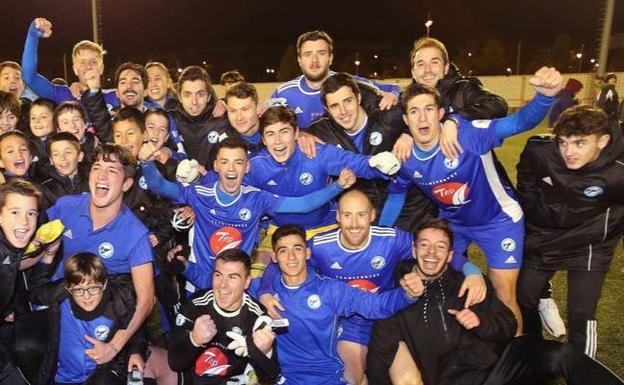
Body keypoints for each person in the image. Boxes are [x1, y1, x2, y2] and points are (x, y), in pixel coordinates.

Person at [379, 67, 563, 333]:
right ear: (406, 121)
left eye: (429, 109)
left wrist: (544, 98)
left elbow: (517, 123)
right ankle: (460, 345)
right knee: (441, 283)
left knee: (503, 294)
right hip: (454, 226)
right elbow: (396, 195)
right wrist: (382, 231)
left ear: (441, 114)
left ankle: (516, 360)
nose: (423, 117)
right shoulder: (405, 158)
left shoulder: (467, 134)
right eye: (415, 111)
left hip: (498, 221)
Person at [259, 189, 485, 385]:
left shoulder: (391, 239)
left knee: (408, 380)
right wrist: (265, 291)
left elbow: (430, 249)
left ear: (373, 215)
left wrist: (470, 270)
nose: (354, 223)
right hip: (352, 322)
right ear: (338, 217)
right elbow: (283, 257)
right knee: (352, 378)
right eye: (347, 215)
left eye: (361, 215)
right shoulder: (321, 246)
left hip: (388, 317)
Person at [366, 218, 624, 385]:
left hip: (497, 368)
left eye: (440, 247)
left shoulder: (467, 283)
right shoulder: (396, 296)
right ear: (414, 250)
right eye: (424, 245)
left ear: (450, 255)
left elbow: (508, 325)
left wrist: (481, 322)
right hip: (452, 380)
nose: (431, 253)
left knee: (563, 353)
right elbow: (381, 353)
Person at [140, 136, 357, 290]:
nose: (231, 169)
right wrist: (147, 163)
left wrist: (337, 187)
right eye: (225, 162)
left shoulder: (257, 198)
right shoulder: (198, 193)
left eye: (238, 162)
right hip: (199, 281)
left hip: (239, 286)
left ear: (247, 168)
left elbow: (303, 204)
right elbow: (159, 186)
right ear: (216, 166)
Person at [516, 104, 624, 357]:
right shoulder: (540, 151)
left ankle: (581, 373)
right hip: (543, 237)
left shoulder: (619, 171)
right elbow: (526, 172)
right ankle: (535, 358)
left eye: (579, 144)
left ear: (603, 141)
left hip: (589, 245)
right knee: (523, 301)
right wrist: (535, 207)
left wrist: (605, 230)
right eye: (563, 142)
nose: (569, 152)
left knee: (581, 315)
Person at [264, 224, 418, 384]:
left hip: (328, 377)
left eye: (297, 249)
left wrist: (406, 294)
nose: (291, 257)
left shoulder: (330, 290)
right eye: (283, 251)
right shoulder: (263, 292)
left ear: (307, 253)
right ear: (274, 257)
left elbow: (375, 305)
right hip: (285, 378)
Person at [46, 144, 155, 364]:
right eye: (97, 167)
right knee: (27, 346)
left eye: (112, 170)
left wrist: (115, 346)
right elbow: (34, 251)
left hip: (99, 311)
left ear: (126, 184)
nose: (101, 175)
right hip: (55, 300)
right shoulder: (65, 207)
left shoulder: (135, 235)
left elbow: (146, 299)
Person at [308, 72, 436, 232]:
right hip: (366, 216)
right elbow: (284, 137)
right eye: (335, 106)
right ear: (327, 109)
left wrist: (409, 133)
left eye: (348, 101)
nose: (343, 111)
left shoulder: (387, 113)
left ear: (359, 98)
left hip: (412, 208)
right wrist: (301, 135)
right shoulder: (321, 131)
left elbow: (430, 116)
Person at [29, 252, 152, 385]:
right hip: (63, 378)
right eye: (78, 290)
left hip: (101, 375)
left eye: (93, 288)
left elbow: (136, 328)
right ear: (69, 288)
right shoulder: (60, 295)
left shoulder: (118, 301)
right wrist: (48, 255)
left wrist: (135, 352)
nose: (86, 297)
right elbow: (36, 292)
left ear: (104, 284)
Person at [169, 249, 280, 384]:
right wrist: (194, 340)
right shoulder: (196, 304)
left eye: (232, 277)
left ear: (246, 282)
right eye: (218, 275)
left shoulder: (257, 316)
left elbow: (270, 378)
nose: (223, 285)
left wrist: (263, 352)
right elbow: (174, 364)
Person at [270, 30, 401, 129]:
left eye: (321, 53)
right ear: (299, 60)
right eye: (308, 54)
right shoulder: (283, 93)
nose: (314, 60)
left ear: (331, 58)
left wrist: (392, 95)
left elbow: (394, 89)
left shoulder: (347, 82)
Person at [0, 179, 45, 385]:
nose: (25, 222)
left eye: (31, 213)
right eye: (15, 212)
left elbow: (14, 265)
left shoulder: (10, 250)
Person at [21, 18, 119, 107]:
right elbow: (29, 77)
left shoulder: (115, 97)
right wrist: (32, 35)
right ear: (75, 69)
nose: (88, 66)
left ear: (101, 68)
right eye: (82, 62)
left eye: (93, 62)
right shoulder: (63, 95)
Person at [37, 132, 89, 211]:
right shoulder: (45, 190)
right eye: (56, 154)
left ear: (80, 156)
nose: (62, 158)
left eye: (68, 152)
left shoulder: (92, 180)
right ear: (51, 160)